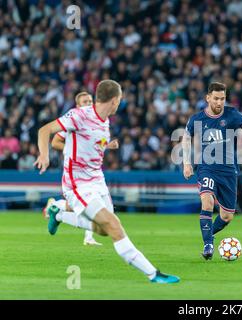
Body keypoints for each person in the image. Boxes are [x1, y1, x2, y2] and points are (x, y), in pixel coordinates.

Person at [34, 80, 179, 283]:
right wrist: (45, 156)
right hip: (78, 185)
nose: (120, 104)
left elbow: (93, 143)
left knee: (103, 230)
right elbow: (44, 130)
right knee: (113, 225)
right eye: (119, 100)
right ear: (113, 100)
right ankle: (153, 274)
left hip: (97, 180)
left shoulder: (105, 121)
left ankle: (58, 214)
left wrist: (105, 146)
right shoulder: (79, 115)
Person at [182, 82, 242, 260]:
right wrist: (186, 163)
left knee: (227, 216)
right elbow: (185, 139)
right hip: (206, 167)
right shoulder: (197, 119)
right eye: (216, 98)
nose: (219, 102)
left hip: (229, 170)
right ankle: (207, 246)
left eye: (222, 98)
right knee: (206, 203)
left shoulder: (232, 114)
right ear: (208, 98)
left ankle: (210, 235)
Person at [44, 91, 119, 246]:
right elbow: (55, 142)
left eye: (90, 101)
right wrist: (72, 150)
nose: (88, 104)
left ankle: (56, 210)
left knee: (90, 209)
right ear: (78, 106)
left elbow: (96, 145)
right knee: (92, 207)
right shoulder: (74, 121)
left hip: (93, 171)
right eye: (84, 101)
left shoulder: (99, 121)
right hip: (77, 172)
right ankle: (86, 235)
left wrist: (108, 146)